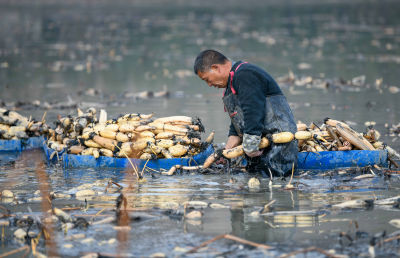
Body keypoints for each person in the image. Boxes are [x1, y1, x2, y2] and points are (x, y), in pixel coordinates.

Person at [193, 49, 297, 177]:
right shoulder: (230, 86)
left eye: (207, 79)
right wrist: (226, 152)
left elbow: (253, 109)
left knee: (275, 182)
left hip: (279, 143)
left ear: (216, 68)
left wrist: (251, 145)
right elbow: (237, 123)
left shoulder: (245, 74)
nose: (209, 84)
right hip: (259, 147)